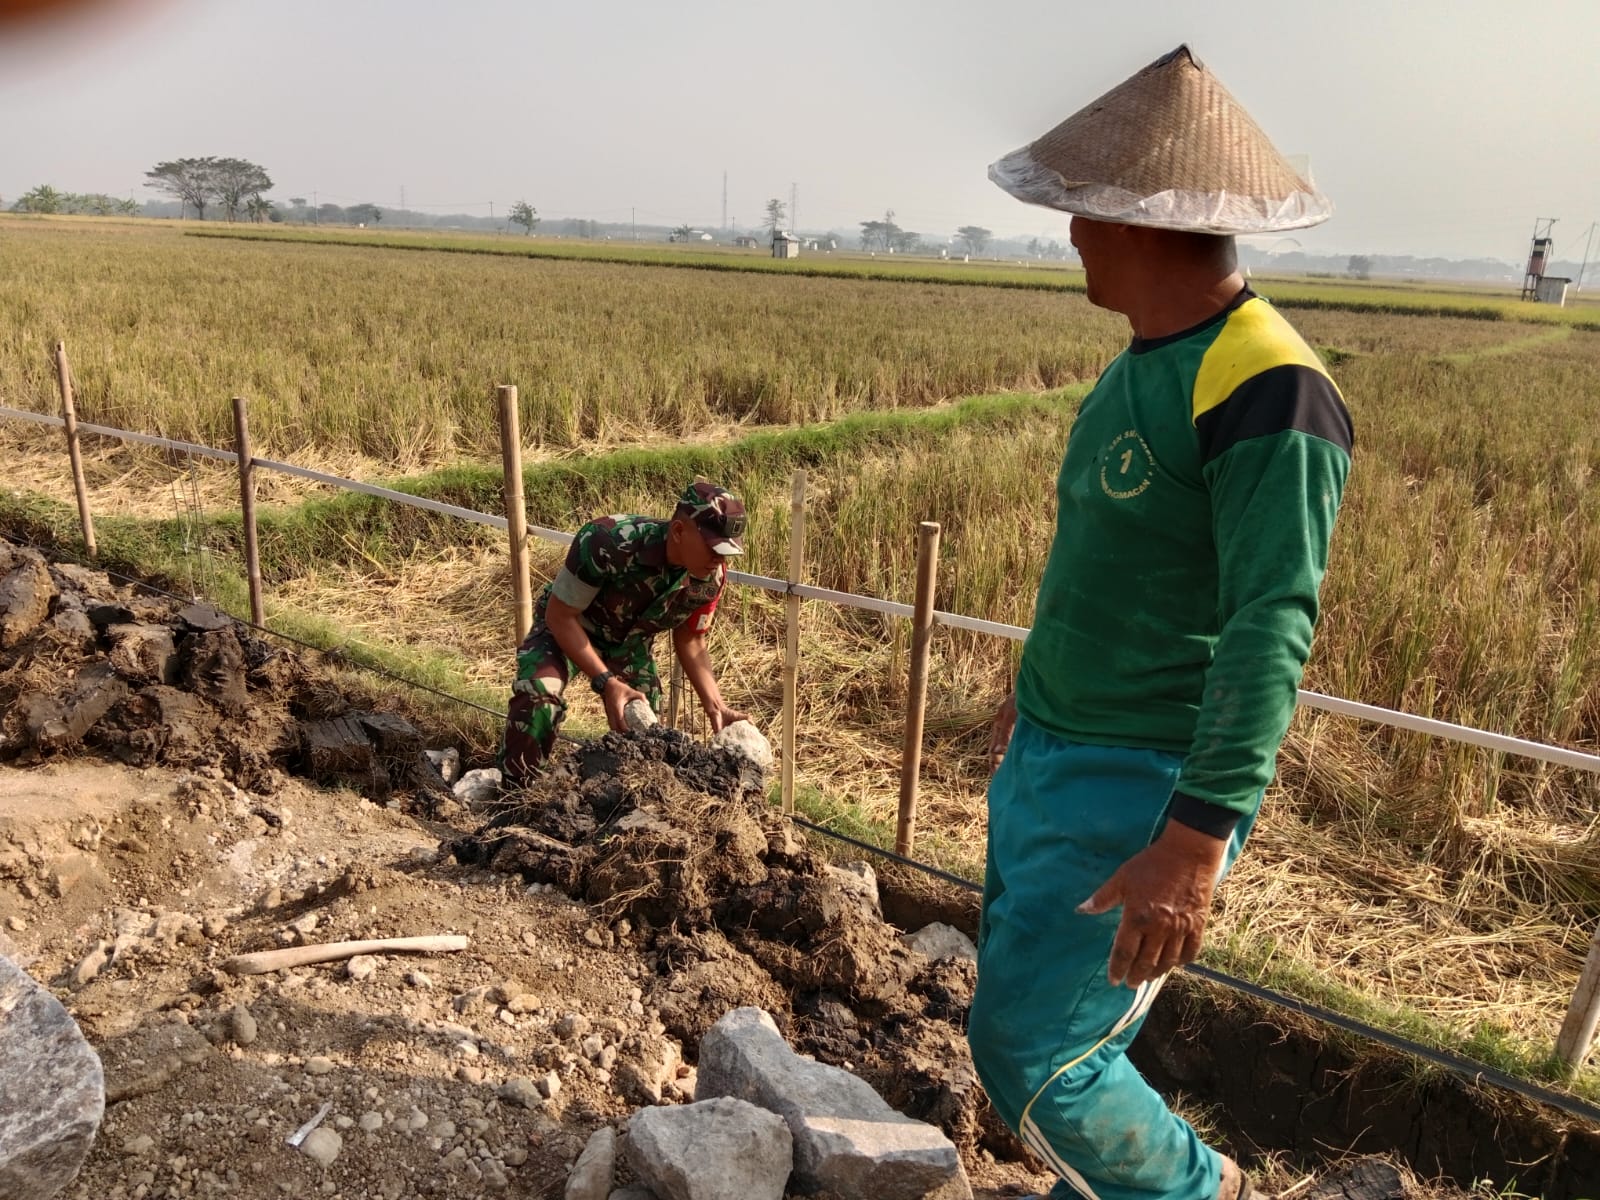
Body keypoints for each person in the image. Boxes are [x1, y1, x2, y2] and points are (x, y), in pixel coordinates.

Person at [971, 46, 1354, 1200]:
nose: (1071, 236)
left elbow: (1268, 623)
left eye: (1082, 212)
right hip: (1054, 755)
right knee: (1040, 1024)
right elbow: (1109, 567)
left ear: (1135, 222)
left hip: (1140, 782)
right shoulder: (1142, 365)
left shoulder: (1270, 388)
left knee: (1036, 1056)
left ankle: (1204, 1193)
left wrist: (1193, 841)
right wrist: (1029, 699)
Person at [501, 481, 750, 785]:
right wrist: (606, 681)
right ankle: (515, 795)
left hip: (629, 647)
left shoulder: (710, 579)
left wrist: (716, 705)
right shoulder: (608, 540)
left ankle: (613, 805)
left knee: (646, 738)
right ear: (678, 531)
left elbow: (692, 639)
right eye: (713, 548)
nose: (719, 559)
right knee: (539, 694)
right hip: (570, 628)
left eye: (727, 550)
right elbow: (560, 615)